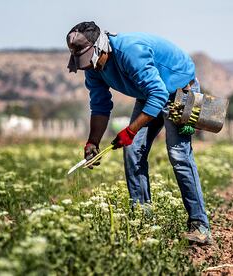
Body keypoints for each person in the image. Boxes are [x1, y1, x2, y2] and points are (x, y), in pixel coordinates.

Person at [66, 21, 212, 244]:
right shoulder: (93, 69)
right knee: (132, 151)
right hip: (150, 93)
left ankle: (199, 224)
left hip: (180, 89)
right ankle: (143, 222)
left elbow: (160, 95)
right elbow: (100, 105)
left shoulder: (131, 52)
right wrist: (92, 142)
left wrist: (131, 130)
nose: (90, 67)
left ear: (101, 48)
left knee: (179, 155)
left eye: (90, 61)